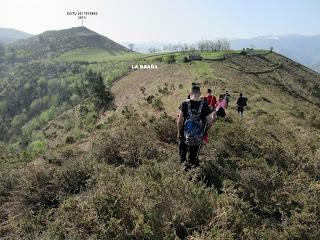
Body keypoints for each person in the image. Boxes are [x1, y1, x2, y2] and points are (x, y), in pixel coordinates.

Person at [177, 86, 214, 170]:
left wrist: (179, 132)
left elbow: (179, 121)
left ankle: (183, 169)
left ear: (190, 94)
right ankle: (193, 173)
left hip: (184, 134)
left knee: (183, 153)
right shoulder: (204, 105)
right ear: (200, 94)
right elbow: (210, 122)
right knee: (193, 156)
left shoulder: (184, 103)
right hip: (198, 137)